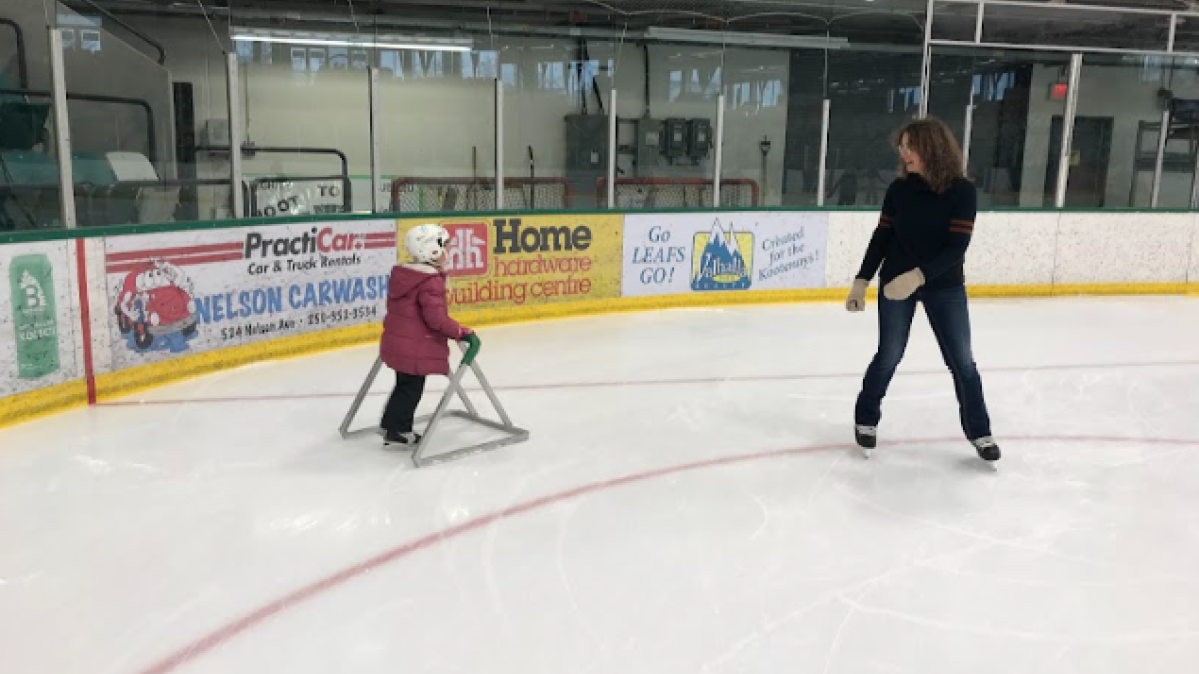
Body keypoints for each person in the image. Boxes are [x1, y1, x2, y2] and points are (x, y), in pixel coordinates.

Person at [845, 117, 1000, 464]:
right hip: (895, 284)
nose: (903, 154)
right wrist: (862, 280)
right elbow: (882, 236)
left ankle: (980, 431)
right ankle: (866, 419)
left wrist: (917, 277)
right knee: (889, 354)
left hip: (943, 286)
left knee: (962, 362)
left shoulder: (962, 191)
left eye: (909, 146)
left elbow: (956, 247)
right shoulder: (899, 190)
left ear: (932, 148)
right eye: (901, 147)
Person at [379, 224, 473, 446]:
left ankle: (392, 425)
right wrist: (459, 331)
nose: (448, 252)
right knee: (411, 388)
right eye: (445, 246)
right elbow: (436, 320)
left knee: (404, 386)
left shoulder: (405, 274)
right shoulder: (429, 281)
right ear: (432, 250)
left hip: (399, 342)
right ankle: (397, 430)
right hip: (414, 347)